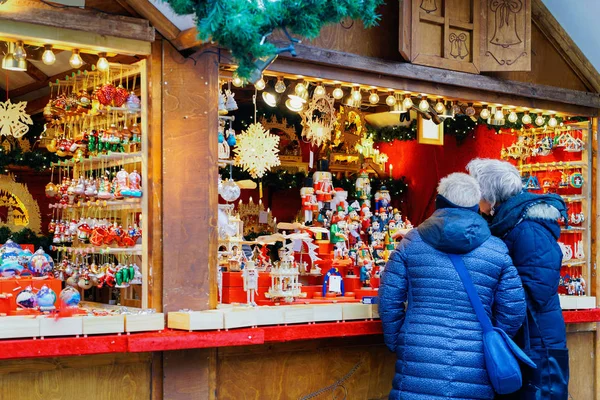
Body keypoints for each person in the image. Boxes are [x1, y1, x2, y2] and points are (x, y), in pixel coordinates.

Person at [379, 173, 526, 400]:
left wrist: (399, 339)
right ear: (475, 205)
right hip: (476, 356)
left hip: (420, 349)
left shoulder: (412, 242)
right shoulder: (496, 249)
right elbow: (514, 309)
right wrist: (492, 340)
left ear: (440, 201)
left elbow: (389, 298)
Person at [467, 158, 569, 399]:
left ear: (490, 195)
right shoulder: (508, 223)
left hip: (538, 345)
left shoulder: (527, 229)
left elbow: (538, 288)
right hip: (526, 342)